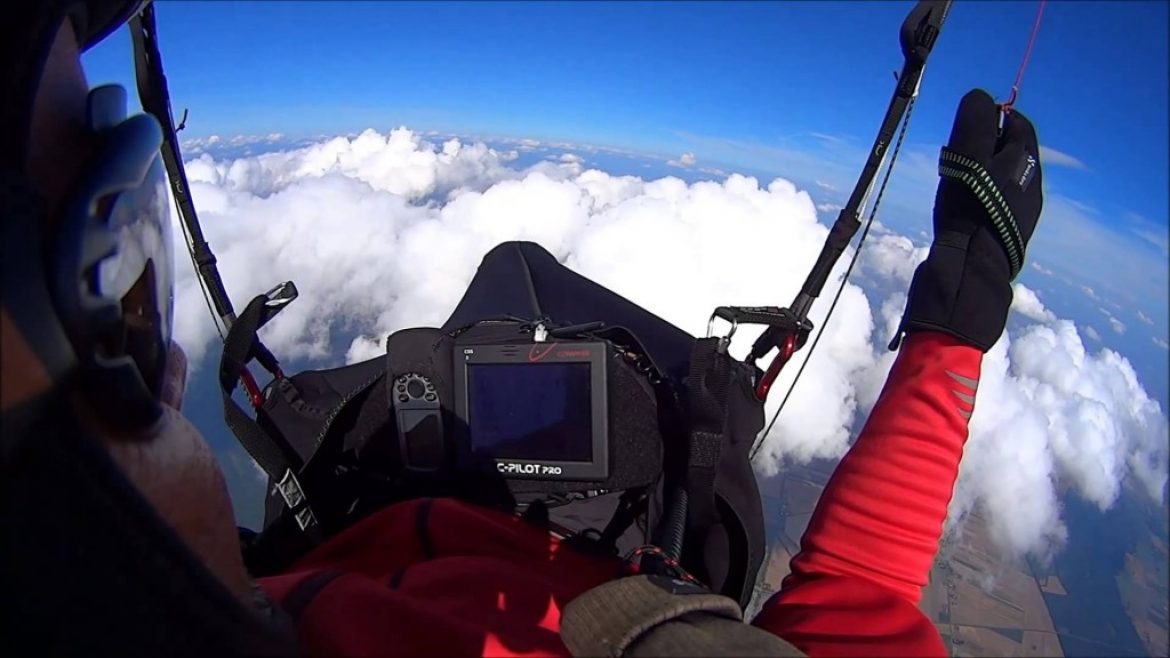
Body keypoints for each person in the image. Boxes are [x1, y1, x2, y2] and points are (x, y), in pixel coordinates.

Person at [1, 1, 1043, 656]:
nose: (169, 356)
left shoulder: (238, 588)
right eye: (117, 283)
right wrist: (962, 301)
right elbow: (850, 601)